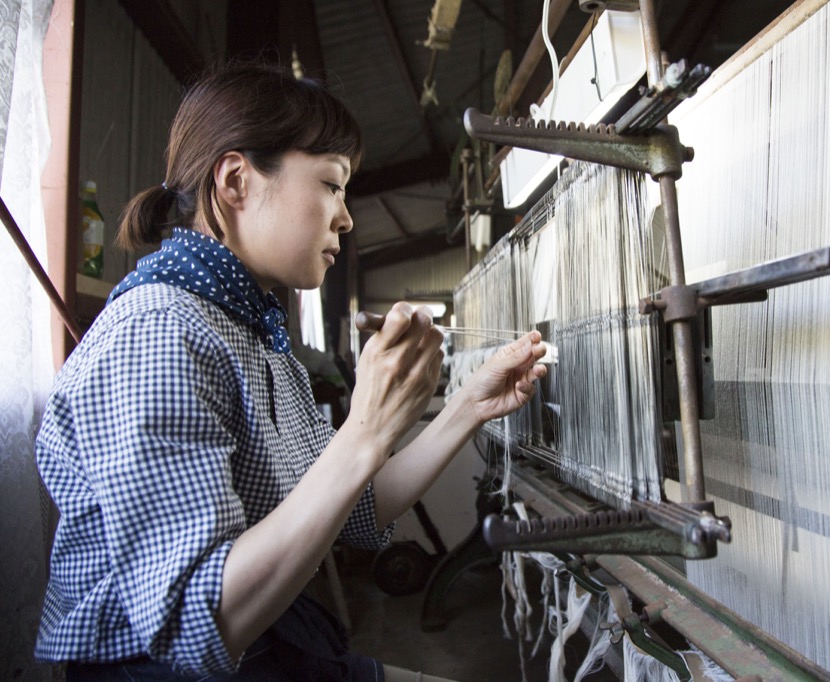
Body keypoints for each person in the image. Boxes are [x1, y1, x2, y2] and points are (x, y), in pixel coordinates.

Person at [34, 61, 547, 680]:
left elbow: (355, 512)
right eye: (332, 184)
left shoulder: (255, 335)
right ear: (235, 182)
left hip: (265, 642)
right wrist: (365, 430)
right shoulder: (158, 334)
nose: (347, 217)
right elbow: (198, 628)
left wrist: (471, 405)